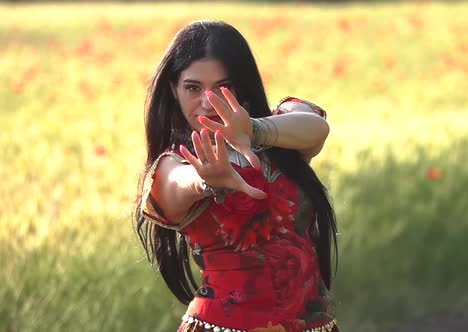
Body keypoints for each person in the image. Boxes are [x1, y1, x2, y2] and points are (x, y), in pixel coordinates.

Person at [134, 19, 339, 332]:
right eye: (193, 88)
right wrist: (206, 180)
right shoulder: (174, 163)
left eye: (223, 87)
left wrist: (254, 132)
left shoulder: (280, 131)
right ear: (173, 90)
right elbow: (177, 186)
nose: (208, 101)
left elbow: (317, 129)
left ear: (242, 85)